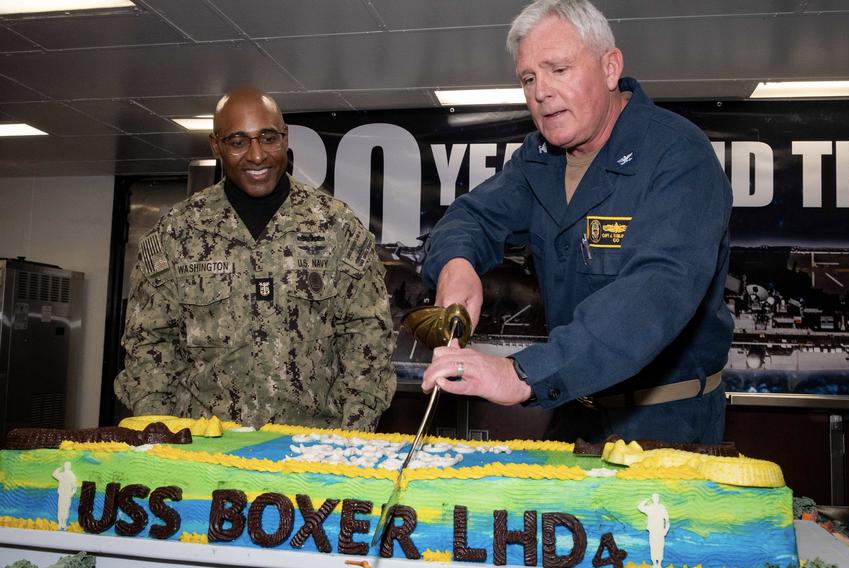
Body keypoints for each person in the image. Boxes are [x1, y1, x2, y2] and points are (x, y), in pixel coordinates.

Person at [421, 0, 733, 443]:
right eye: (528, 78)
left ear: (610, 68)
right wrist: (456, 265)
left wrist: (522, 373)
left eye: (559, 70)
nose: (540, 92)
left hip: (666, 425)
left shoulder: (679, 156)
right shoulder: (540, 161)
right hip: (573, 414)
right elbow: (470, 216)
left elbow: (655, 291)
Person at [114, 87, 395, 431]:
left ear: (285, 137)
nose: (257, 155)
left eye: (268, 138)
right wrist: (160, 436)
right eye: (238, 141)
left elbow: (367, 338)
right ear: (215, 145)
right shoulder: (178, 234)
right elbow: (150, 344)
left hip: (309, 448)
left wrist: (351, 439)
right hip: (205, 448)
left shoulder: (335, 227)